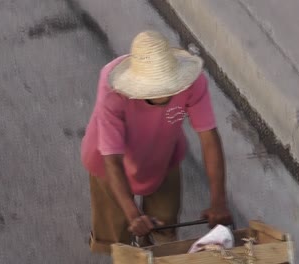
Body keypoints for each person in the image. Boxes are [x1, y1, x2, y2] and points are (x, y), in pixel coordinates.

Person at [80, 30, 233, 254]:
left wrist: (218, 200)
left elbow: (209, 138)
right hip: (109, 163)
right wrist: (133, 215)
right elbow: (112, 160)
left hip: (163, 154)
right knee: (118, 232)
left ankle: (159, 255)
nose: (164, 98)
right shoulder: (112, 88)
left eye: (170, 89)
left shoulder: (193, 80)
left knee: (166, 220)